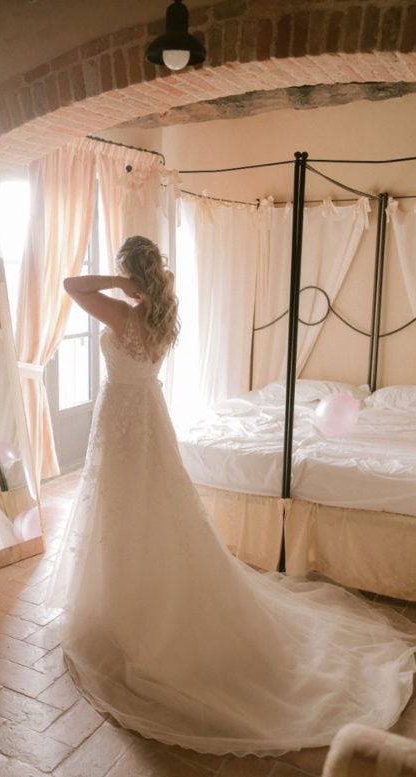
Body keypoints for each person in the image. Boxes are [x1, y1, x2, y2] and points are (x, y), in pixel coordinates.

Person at [48, 235, 416, 757]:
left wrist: (118, 282)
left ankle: (131, 597)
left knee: (121, 502)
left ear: (131, 271)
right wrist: (139, 285)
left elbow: (70, 285)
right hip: (146, 413)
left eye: (123, 268)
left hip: (125, 416)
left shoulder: (124, 312)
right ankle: (140, 581)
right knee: (145, 504)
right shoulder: (159, 315)